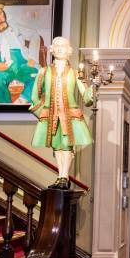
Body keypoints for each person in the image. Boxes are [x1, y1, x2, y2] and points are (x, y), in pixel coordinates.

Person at [29, 37, 94, 189]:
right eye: (56, 46)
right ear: (51, 49)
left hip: (70, 116)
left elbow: (86, 98)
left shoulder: (75, 73)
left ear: (69, 50)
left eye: (63, 46)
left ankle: (64, 176)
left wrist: (94, 88)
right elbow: (34, 97)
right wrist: (42, 114)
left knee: (67, 145)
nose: (59, 48)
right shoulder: (44, 72)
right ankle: (61, 176)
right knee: (57, 146)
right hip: (51, 116)